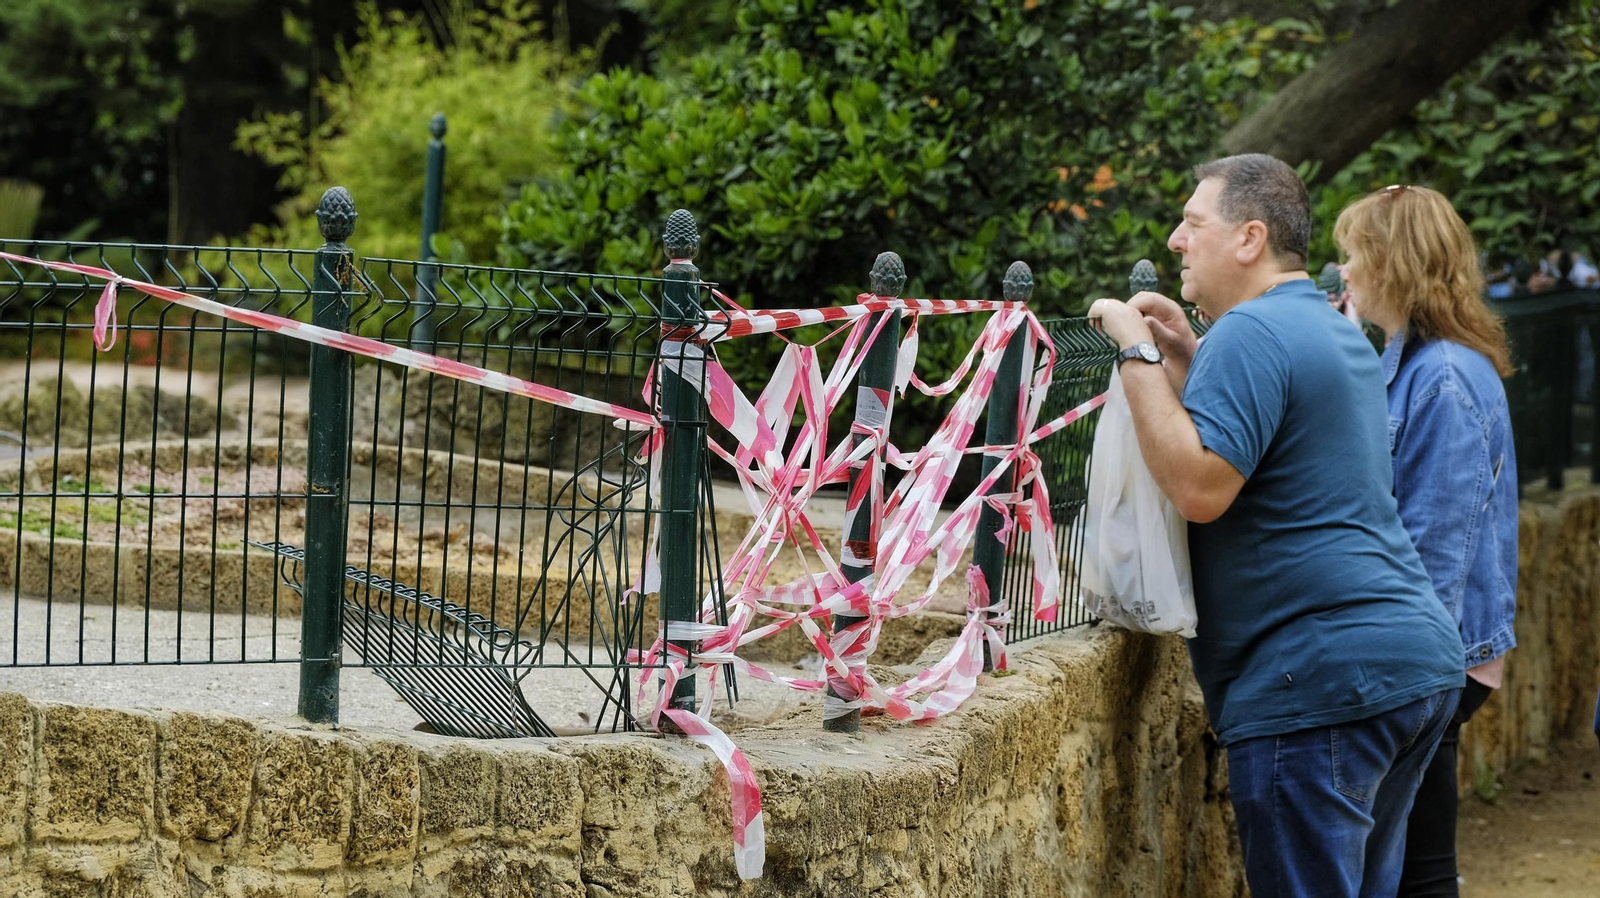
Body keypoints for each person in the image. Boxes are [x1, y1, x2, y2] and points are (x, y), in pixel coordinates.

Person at [1088, 154, 1465, 898]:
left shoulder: (1253, 333)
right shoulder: (1327, 329)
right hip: (1407, 664)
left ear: (1249, 238)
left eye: (1193, 223)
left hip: (1317, 679)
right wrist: (1194, 361)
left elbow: (1201, 487)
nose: (1174, 240)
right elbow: (1285, 451)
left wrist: (1133, 350)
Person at [1333, 184, 1519, 897]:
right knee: (1414, 856)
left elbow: (1435, 550)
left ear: (1394, 264)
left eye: (1355, 255)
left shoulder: (1441, 377)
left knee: (1417, 869)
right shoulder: (1413, 361)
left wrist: (1397, 674)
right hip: (1435, 655)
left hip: (1434, 658)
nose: (1344, 271)